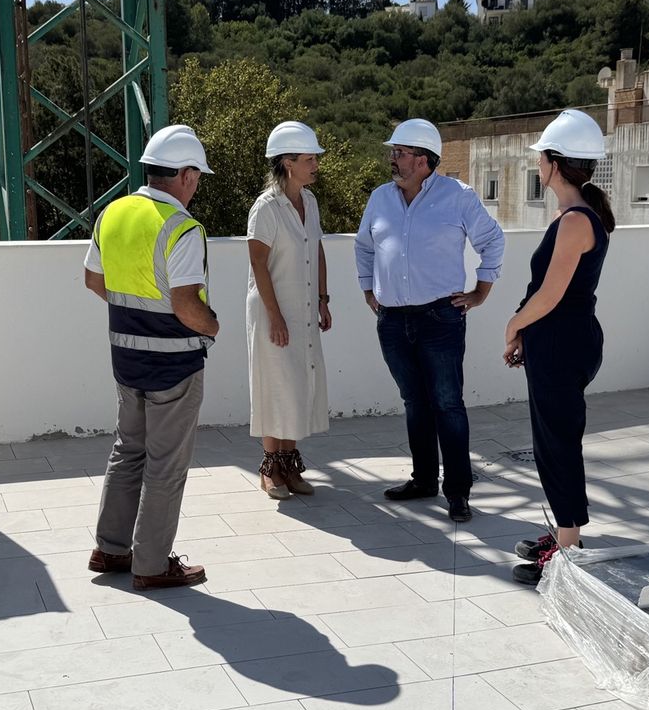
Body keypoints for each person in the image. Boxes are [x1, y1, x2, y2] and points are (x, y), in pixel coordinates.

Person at [83, 124, 218, 590]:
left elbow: (94, 280)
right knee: (165, 465)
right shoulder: (182, 227)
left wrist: (134, 315)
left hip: (125, 358)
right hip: (173, 364)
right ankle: (152, 565)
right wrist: (213, 324)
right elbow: (186, 305)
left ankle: (110, 548)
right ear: (182, 174)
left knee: (128, 451)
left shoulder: (113, 213)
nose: (196, 186)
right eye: (197, 176)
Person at [355, 118, 506, 522]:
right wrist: (368, 290)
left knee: (447, 403)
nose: (393, 159)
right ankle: (424, 480)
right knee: (414, 402)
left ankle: (457, 492)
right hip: (391, 320)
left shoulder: (458, 197)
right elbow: (364, 247)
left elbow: (493, 240)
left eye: (400, 153)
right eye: (394, 152)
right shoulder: (380, 198)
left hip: (441, 318)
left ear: (423, 161)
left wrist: (480, 292)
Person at [502, 110, 617, 583]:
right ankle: (565, 533)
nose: (537, 164)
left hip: (562, 342)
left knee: (557, 444)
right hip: (561, 339)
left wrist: (513, 325)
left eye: (541, 158)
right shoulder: (579, 215)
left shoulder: (574, 221)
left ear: (554, 163)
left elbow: (550, 294)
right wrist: (529, 336)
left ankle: (569, 552)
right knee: (552, 440)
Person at [246, 121, 331, 498]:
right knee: (275, 385)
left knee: (299, 384)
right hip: (271, 310)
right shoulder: (265, 209)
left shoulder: (309, 202)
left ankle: (289, 464)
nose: (316, 164)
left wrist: (323, 300)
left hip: (303, 307)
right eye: (309, 159)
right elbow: (258, 265)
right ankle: (270, 468)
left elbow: (317, 249)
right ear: (287, 163)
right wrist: (276, 316)